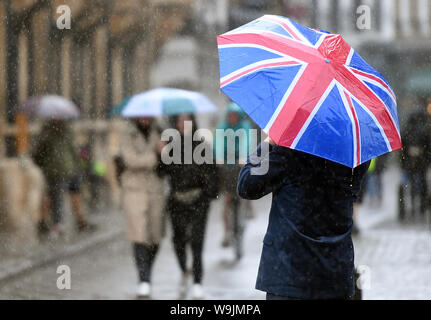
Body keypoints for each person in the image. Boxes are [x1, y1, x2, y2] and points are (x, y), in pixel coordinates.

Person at [237, 137, 370, 300]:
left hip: (289, 276)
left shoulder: (290, 152)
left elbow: (247, 184)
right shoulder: (356, 156)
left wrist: (268, 142)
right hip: (336, 275)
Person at [159, 113, 218, 299]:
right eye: (180, 121)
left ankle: (198, 281)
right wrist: (162, 154)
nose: (184, 125)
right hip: (177, 200)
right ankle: (184, 268)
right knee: (178, 240)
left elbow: (213, 173)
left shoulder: (202, 146)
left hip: (199, 201)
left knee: (197, 241)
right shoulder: (169, 147)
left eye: (188, 121)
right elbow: (160, 172)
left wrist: (207, 194)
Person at [116, 117, 165, 298]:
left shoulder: (160, 132)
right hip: (134, 189)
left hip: (155, 189)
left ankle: (147, 270)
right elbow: (130, 160)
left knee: (155, 236)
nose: (145, 118)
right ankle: (143, 279)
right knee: (139, 234)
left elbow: (168, 161)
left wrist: (165, 151)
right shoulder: (126, 134)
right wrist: (155, 155)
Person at [32, 119, 93, 238]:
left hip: (55, 171)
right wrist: (77, 166)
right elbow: (74, 151)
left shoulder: (47, 133)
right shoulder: (67, 131)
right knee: (68, 195)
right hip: (69, 169)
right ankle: (77, 221)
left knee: (55, 197)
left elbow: (39, 153)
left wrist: (40, 162)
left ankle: (56, 224)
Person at [214, 102, 254, 260]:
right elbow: (218, 143)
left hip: (241, 165)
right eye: (230, 116)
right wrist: (219, 158)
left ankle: (248, 207)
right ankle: (227, 231)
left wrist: (244, 157)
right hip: (227, 166)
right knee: (227, 199)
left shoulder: (245, 127)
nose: (232, 118)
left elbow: (247, 143)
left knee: (247, 188)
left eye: (234, 116)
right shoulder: (223, 127)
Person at [399, 105, 431, 220]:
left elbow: (402, 146)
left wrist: (403, 160)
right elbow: (428, 146)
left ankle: (411, 206)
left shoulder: (407, 128)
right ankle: (422, 206)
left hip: (409, 161)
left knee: (410, 184)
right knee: (422, 182)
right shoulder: (425, 128)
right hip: (421, 162)